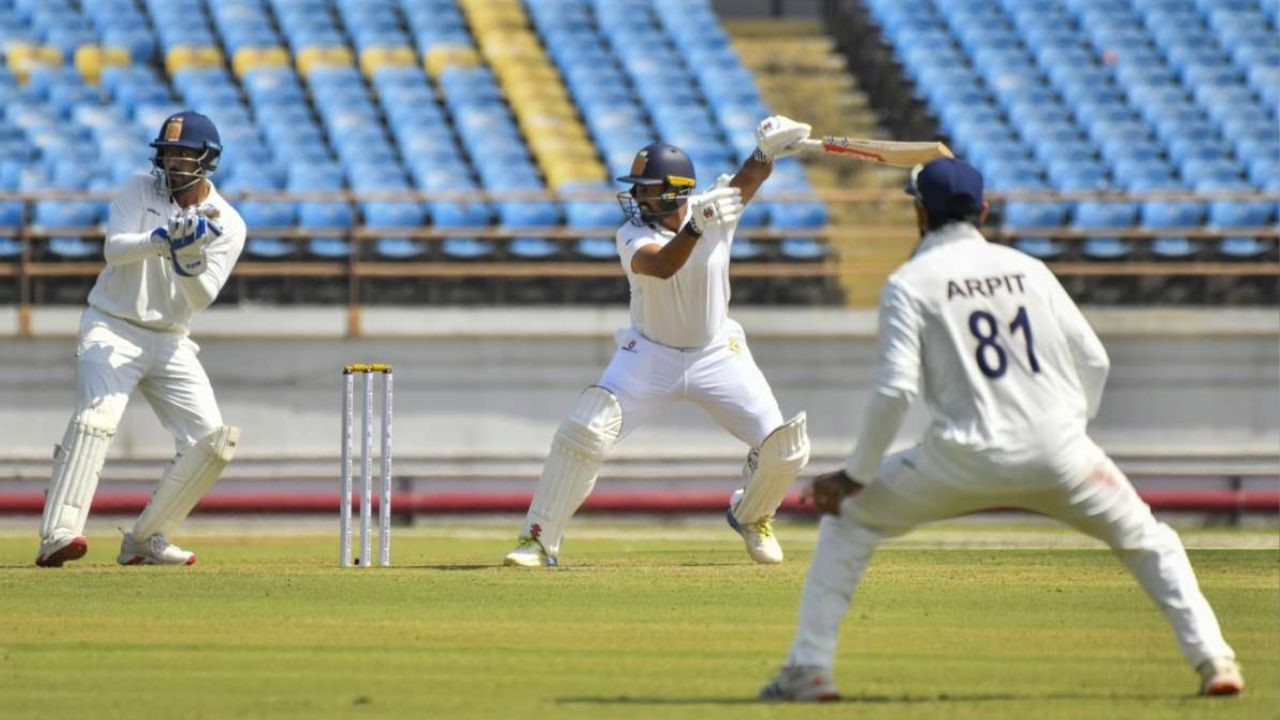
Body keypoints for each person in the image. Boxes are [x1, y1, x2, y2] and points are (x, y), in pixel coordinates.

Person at [760, 158, 1243, 700]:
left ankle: (810, 668)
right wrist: (1067, 430)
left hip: (960, 458)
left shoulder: (909, 283)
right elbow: (1096, 362)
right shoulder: (1029, 268)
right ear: (984, 210)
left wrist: (855, 476)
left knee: (847, 522)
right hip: (1062, 453)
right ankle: (1214, 660)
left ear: (919, 215)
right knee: (1151, 542)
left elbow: (895, 391)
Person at [503, 116, 814, 567]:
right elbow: (662, 266)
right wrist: (696, 228)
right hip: (649, 356)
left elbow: (749, 179)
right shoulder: (632, 234)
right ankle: (538, 539)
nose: (637, 196)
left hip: (717, 354)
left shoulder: (714, 210)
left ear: (675, 190)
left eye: (646, 189)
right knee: (585, 431)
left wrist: (765, 151)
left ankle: (752, 514)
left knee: (785, 448)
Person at [35, 110, 247, 567]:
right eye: (167, 153)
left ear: (206, 160)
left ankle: (145, 540)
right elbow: (114, 249)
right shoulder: (137, 188)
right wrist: (161, 239)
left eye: (183, 154)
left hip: (170, 337)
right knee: (97, 419)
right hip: (111, 324)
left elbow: (202, 296)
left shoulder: (228, 223)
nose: (172, 163)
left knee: (212, 441)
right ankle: (59, 534)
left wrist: (188, 259)